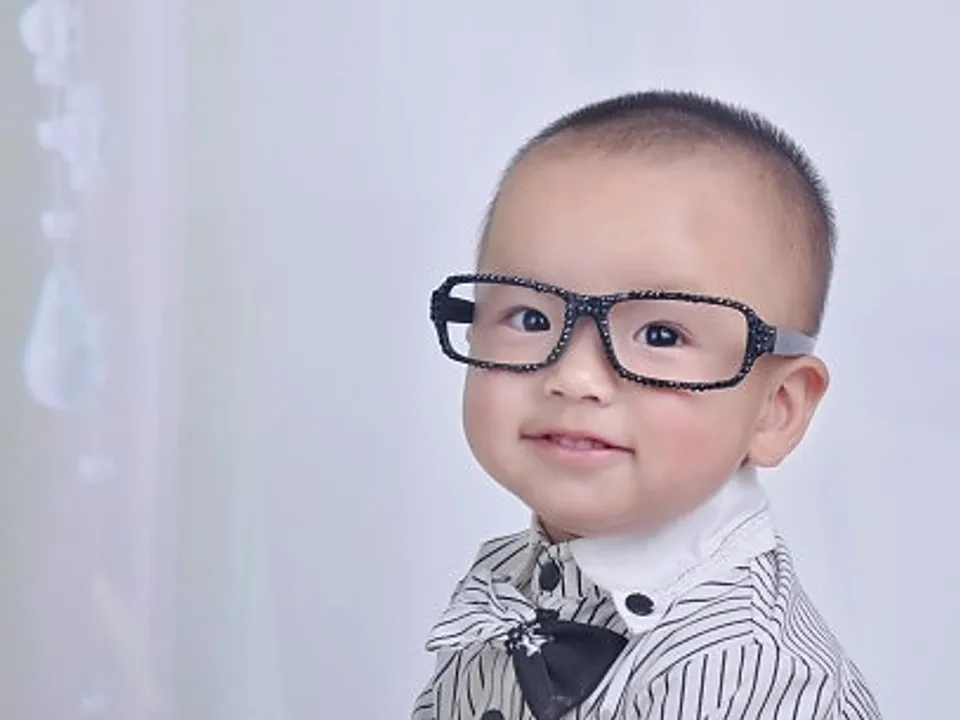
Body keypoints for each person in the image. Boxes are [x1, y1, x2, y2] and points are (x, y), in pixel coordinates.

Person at [412, 90, 881, 719]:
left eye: (661, 334)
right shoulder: (509, 580)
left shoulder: (744, 681)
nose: (575, 377)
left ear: (776, 407)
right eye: (529, 317)